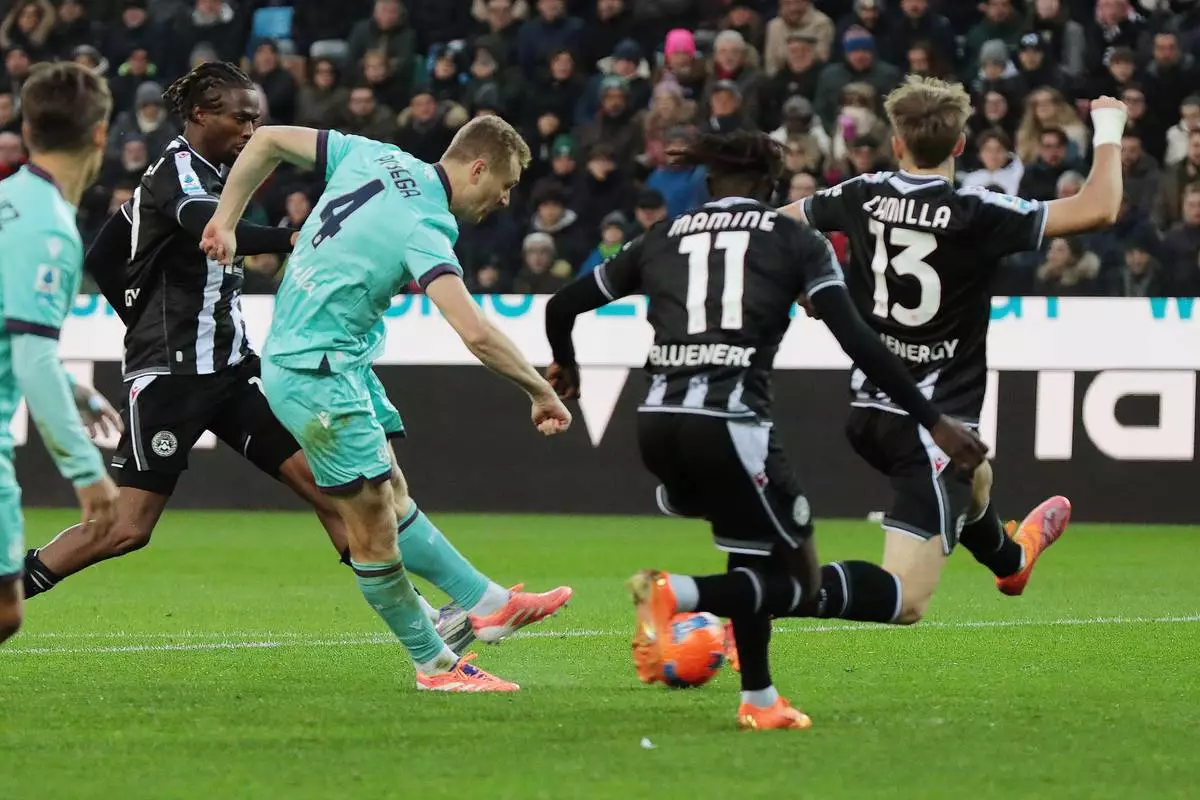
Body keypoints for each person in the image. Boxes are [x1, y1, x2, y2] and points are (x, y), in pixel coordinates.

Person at [24, 63, 569, 660]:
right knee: (126, 528)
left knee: (334, 490)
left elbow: (108, 248)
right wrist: (278, 245)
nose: (249, 129)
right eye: (240, 118)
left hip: (233, 368)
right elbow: (196, 225)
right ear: (200, 115)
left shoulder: (223, 172)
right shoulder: (176, 169)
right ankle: (14, 585)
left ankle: (432, 622)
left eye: (255, 118)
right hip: (173, 376)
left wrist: (144, 300)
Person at [543, 130, 987, 730]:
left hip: (657, 425)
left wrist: (565, 364)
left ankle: (759, 698)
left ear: (708, 184)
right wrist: (933, 419)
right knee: (798, 584)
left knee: (748, 551)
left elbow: (561, 306)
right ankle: (676, 594)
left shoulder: (662, 236)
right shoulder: (793, 238)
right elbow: (859, 340)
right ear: (772, 187)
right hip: (730, 425)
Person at [200, 114, 574, 690]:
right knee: (372, 525)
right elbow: (474, 331)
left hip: (336, 361)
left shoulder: (377, 155)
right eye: (507, 184)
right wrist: (540, 390)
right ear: (478, 169)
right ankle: (435, 665)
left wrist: (225, 221)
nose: (505, 199)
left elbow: (268, 138)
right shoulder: (426, 224)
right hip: (314, 370)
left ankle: (489, 604)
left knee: (393, 496)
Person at [778, 76, 1128, 637]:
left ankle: (1012, 562)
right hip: (932, 427)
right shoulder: (976, 210)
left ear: (896, 142)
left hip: (870, 411)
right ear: (961, 144)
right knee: (905, 599)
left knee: (977, 475)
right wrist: (1109, 126)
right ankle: (755, 598)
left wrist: (809, 281)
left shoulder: (861, 193)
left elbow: (777, 225)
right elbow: (1100, 207)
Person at [0, 62, 122, 645]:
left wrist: (73, 391)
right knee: (5, 611)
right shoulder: (50, 230)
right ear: (100, 134)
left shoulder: (8, 199)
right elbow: (33, 361)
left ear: (26, 130)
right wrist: (87, 472)